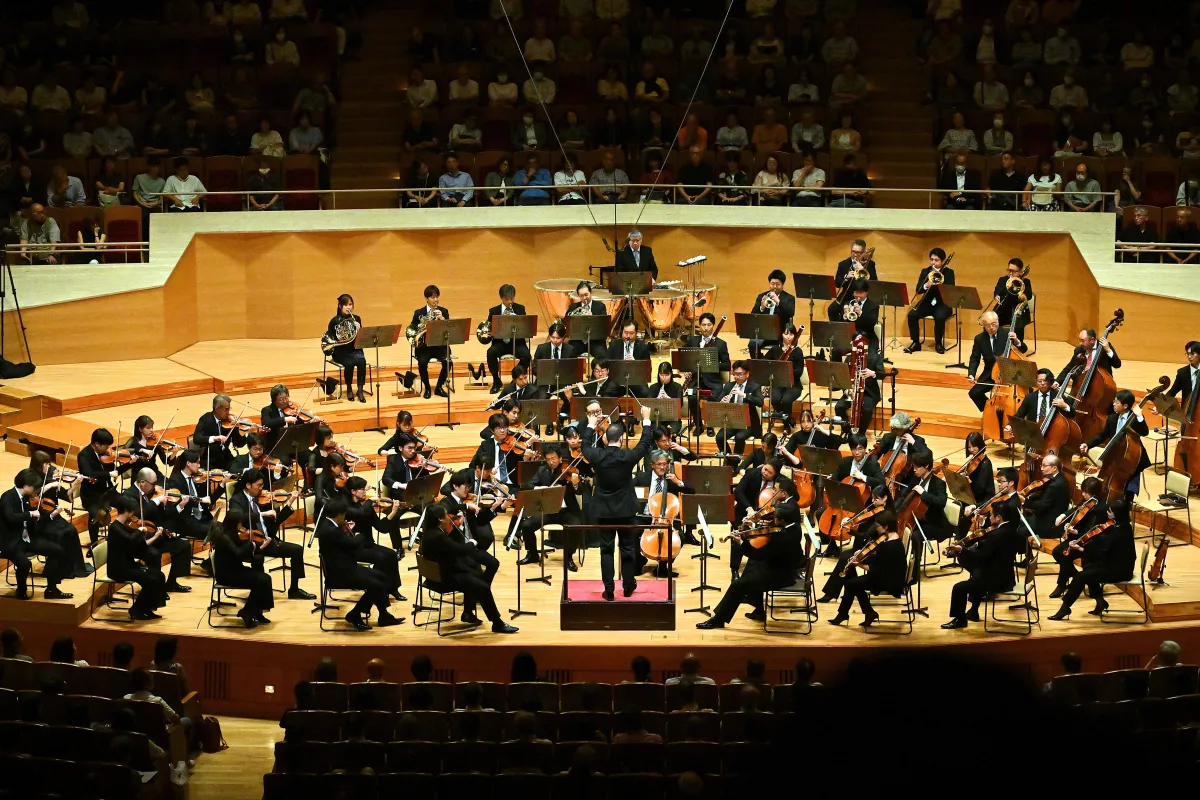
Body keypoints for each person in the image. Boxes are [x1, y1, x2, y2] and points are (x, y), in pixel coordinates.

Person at [583, 402, 655, 599]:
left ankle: (609, 590)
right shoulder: (627, 456)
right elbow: (645, 443)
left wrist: (590, 425)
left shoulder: (597, 455)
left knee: (606, 550)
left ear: (606, 439)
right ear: (622, 439)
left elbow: (584, 446)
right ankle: (628, 586)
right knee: (628, 548)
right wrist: (646, 420)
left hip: (604, 511)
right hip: (625, 510)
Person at [697, 502, 803, 629]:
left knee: (737, 584)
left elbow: (759, 555)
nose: (773, 519)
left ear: (783, 520)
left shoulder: (782, 538)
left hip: (780, 576)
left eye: (775, 517)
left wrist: (741, 543)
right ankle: (758, 609)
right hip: (782, 566)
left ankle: (718, 619)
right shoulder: (794, 527)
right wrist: (755, 526)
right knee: (751, 565)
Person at [419, 503, 518, 633]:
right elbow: (460, 550)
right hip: (445, 578)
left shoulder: (429, 533)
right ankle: (497, 623)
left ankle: (468, 612)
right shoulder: (438, 536)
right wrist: (472, 543)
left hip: (437, 575)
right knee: (483, 586)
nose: (449, 518)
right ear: (440, 519)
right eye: (446, 516)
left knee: (476, 578)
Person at [316, 497, 403, 630]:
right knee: (377, 585)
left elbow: (343, 544)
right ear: (339, 515)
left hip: (345, 567)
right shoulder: (331, 530)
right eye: (344, 514)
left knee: (381, 577)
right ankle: (355, 614)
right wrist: (359, 534)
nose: (345, 517)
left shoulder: (329, 525)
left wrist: (346, 531)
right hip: (340, 574)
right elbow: (353, 544)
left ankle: (384, 615)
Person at [230, 469, 313, 600]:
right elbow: (240, 517)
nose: (262, 489)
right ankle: (259, 592)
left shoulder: (262, 499)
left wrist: (290, 502)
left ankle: (294, 590)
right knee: (258, 558)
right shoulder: (236, 500)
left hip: (268, 539)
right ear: (248, 485)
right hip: (251, 542)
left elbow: (276, 520)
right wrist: (263, 513)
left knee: (297, 550)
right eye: (259, 485)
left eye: (262, 485)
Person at [941, 502, 1026, 628]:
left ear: (999, 518)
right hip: (1007, 576)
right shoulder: (1013, 530)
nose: (989, 518)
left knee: (959, 588)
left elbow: (980, 556)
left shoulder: (997, 535)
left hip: (997, 580)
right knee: (977, 574)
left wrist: (961, 550)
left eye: (991, 515)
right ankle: (973, 612)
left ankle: (960, 620)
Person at [1049, 500, 1135, 620]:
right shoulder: (1121, 526)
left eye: (1110, 511)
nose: (1107, 512)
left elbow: (1101, 552)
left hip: (1119, 570)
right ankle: (1100, 602)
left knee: (1081, 576)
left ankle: (1065, 609)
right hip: (1113, 563)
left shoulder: (1119, 532)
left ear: (1117, 513)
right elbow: (1102, 546)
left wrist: (1080, 548)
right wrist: (1081, 543)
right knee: (1088, 569)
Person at [0, 468, 73, 600]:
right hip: (11, 542)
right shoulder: (7, 497)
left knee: (57, 550)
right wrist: (29, 514)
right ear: (26, 486)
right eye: (34, 487)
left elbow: (37, 517)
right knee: (24, 564)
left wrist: (51, 515)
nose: (36, 491)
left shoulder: (28, 498)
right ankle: (21, 590)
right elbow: (10, 517)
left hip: (27, 539)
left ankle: (51, 590)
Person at [827, 509, 906, 627]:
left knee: (850, 584)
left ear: (886, 527)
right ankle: (864, 613)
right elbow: (881, 561)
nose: (876, 528)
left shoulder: (889, 546)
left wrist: (859, 564)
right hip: (888, 574)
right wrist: (862, 555)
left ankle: (848, 614)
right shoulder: (892, 538)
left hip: (890, 581)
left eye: (878, 526)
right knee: (851, 577)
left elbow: (876, 570)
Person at [105, 494, 169, 620]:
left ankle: (147, 608)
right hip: (119, 569)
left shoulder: (125, 527)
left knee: (159, 576)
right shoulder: (115, 528)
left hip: (129, 565)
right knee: (151, 580)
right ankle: (137, 609)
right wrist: (139, 532)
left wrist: (149, 537)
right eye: (132, 511)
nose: (133, 514)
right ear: (126, 511)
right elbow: (129, 540)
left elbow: (135, 546)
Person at [209, 507, 275, 627]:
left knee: (264, 579)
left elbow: (240, 550)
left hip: (235, 569)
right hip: (227, 575)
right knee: (262, 580)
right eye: (239, 522)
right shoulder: (223, 536)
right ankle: (247, 612)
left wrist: (259, 547)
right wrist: (251, 545)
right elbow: (238, 553)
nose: (241, 525)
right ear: (234, 523)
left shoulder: (230, 532)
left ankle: (256, 611)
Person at [1081, 390, 1151, 500]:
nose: (1113, 404)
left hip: (1132, 459)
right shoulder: (1112, 418)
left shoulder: (1134, 418)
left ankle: (1125, 505)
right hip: (1115, 456)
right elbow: (1101, 436)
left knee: (1128, 488)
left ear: (1125, 406)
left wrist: (1140, 416)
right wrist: (1087, 444)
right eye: (1114, 401)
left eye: (1116, 402)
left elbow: (1145, 432)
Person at [966, 311, 1027, 411]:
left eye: (993, 324)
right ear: (983, 326)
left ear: (998, 322)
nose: (991, 327)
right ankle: (989, 409)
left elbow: (1024, 349)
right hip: (991, 373)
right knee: (974, 393)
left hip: (1010, 372)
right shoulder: (979, 339)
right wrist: (971, 374)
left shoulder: (1008, 333)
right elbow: (974, 358)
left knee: (1023, 392)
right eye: (988, 325)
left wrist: (1016, 340)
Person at [903, 247, 956, 355]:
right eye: (931, 259)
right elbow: (918, 290)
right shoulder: (925, 271)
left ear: (942, 261)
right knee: (912, 315)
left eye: (936, 260)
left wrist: (941, 285)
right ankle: (916, 343)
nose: (933, 262)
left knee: (940, 317)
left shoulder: (949, 273)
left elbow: (951, 291)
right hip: (927, 303)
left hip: (942, 303)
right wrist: (926, 285)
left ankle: (938, 343)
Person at [484, 284, 531, 393]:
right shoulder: (494, 311)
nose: (510, 301)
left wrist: (517, 319)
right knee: (490, 353)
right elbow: (489, 328)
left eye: (512, 298)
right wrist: (491, 332)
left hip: (517, 342)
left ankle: (515, 380)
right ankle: (496, 381)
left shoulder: (520, 309)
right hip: (500, 343)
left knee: (527, 356)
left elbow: (525, 328)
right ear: (501, 298)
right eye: (507, 299)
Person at [833, 345, 885, 435]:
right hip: (852, 391)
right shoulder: (849, 358)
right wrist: (846, 389)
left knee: (867, 410)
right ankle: (847, 431)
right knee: (839, 407)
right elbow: (844, 376)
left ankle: (860, 433)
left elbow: (882, 375)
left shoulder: (876, 357)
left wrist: (873, 373)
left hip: (869, 393)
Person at [411, 285, 451, 399]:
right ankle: (427, 388)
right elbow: (412, 330)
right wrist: (422, 326)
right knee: (422, 363)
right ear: (426, 298)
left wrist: (442, 319)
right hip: (424, 346)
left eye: (437, 297)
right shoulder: (418, 313)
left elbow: (449, 329)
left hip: (439, 345)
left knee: (448, 362)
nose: (435, 300)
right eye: (432, 297)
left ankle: (438, 387)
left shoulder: (444, 311)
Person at [763, 325, 805, 432]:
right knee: (775, 399)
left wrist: (786, 369)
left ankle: (786, 425)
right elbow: (764, 363)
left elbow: (799, 372)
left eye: (791, 334)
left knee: (786, 400)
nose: (788, 337)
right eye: (785, 334)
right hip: (778, 383)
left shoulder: (797, 351)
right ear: (781, 335)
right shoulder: (775, 349)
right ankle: (788, 419)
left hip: (793, 384)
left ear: (795, 336)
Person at [1022, 455, 1072, 542]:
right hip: (1046, 515)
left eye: (1044, 466)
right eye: (1041, 465)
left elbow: (1042, 505)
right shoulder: (1058, 477)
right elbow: (1044, 495)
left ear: (1054, 468)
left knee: (1019, 531)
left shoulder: (1055, 485)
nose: (1041, 468)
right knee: (1019, 522)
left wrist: (1025, 502)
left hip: (1048, 524)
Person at [749, 269, 795, 359]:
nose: (775, 287)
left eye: (778, 284)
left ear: (782, 285)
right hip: (763, 333)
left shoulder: (789, 298)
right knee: (752, 344)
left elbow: (790, 313)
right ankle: (759, 363)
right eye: (772, 284)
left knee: (778, 350)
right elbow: (753, 315)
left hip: (781, 333)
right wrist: (762, 307)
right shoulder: (762, 296)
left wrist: (778, 302)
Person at [829, 241, 878, 322]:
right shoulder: (843, 264)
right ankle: (837, 328)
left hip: (862, 295)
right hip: (847, 295)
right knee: (832, 309)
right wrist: (846, 277)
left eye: (858, 252)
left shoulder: (870, 264)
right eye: (853, 251)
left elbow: (874, 282)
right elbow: (837, 283)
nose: (855, 254)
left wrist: (862, 269)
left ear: (863, 252)